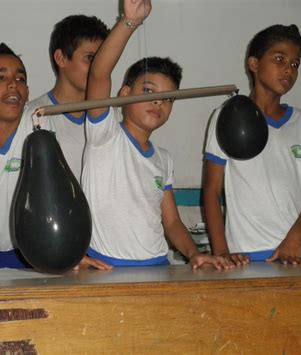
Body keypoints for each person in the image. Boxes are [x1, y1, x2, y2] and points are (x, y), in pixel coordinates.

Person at [0, 43, 109, 272]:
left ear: (27, 92)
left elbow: (55, 196)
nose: (12, 85)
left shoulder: (37, 124)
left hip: (27, 255)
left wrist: (67, 252)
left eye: (20, 79)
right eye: (0, 78)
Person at [82, 0, 228, 269]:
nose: (159, 103)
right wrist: (130, 22)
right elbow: (99, 73)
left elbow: (171, 222)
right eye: (149, 92)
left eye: (168, 98)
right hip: (108, 268)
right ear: (124, 94)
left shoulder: (163, 159)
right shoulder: (105, 134)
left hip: (159, 266)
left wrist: (194, 254)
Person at [203, 24, 301, 265]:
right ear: (254, 64)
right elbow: (211, 190)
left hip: (298, 252)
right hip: (246, 255)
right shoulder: (227, 117)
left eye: (295, 64)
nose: (288, 70)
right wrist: (221, 253)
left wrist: (296, 237)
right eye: (280, 59)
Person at [25, 14, 109, 181]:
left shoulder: (110, 117)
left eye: (102, 60)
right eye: (90, 58)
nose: (97, 68)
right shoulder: (32, 115)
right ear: (61, 58)